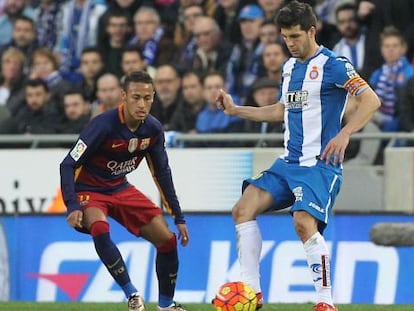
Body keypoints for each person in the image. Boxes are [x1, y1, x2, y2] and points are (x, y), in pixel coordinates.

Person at [215, 1, 380, 311]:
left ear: (311, 31)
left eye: (295, 36)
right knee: (242, 208)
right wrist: (237, 110)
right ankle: (251, 292)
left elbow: (371, 100)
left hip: (319, 166)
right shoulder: (289, 67)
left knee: (304, 223)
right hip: (288, 163)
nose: (289, 44)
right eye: (285, 37)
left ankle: (325, 302)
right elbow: (280, 110)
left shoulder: (334, 64)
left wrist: (346, 133)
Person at [59, 71, 189, 311]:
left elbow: (162, 174)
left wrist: (178, 216)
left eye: (148, 98)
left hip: (120, 187)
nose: (142, 104)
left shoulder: (153, 130)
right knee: (99, 227)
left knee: (167, 240)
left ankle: (166, 305)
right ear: (124, 96)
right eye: (136, 97)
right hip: (89, 190)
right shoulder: (103, 125)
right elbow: (68, 164)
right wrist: (72, 205)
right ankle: (132, 295)